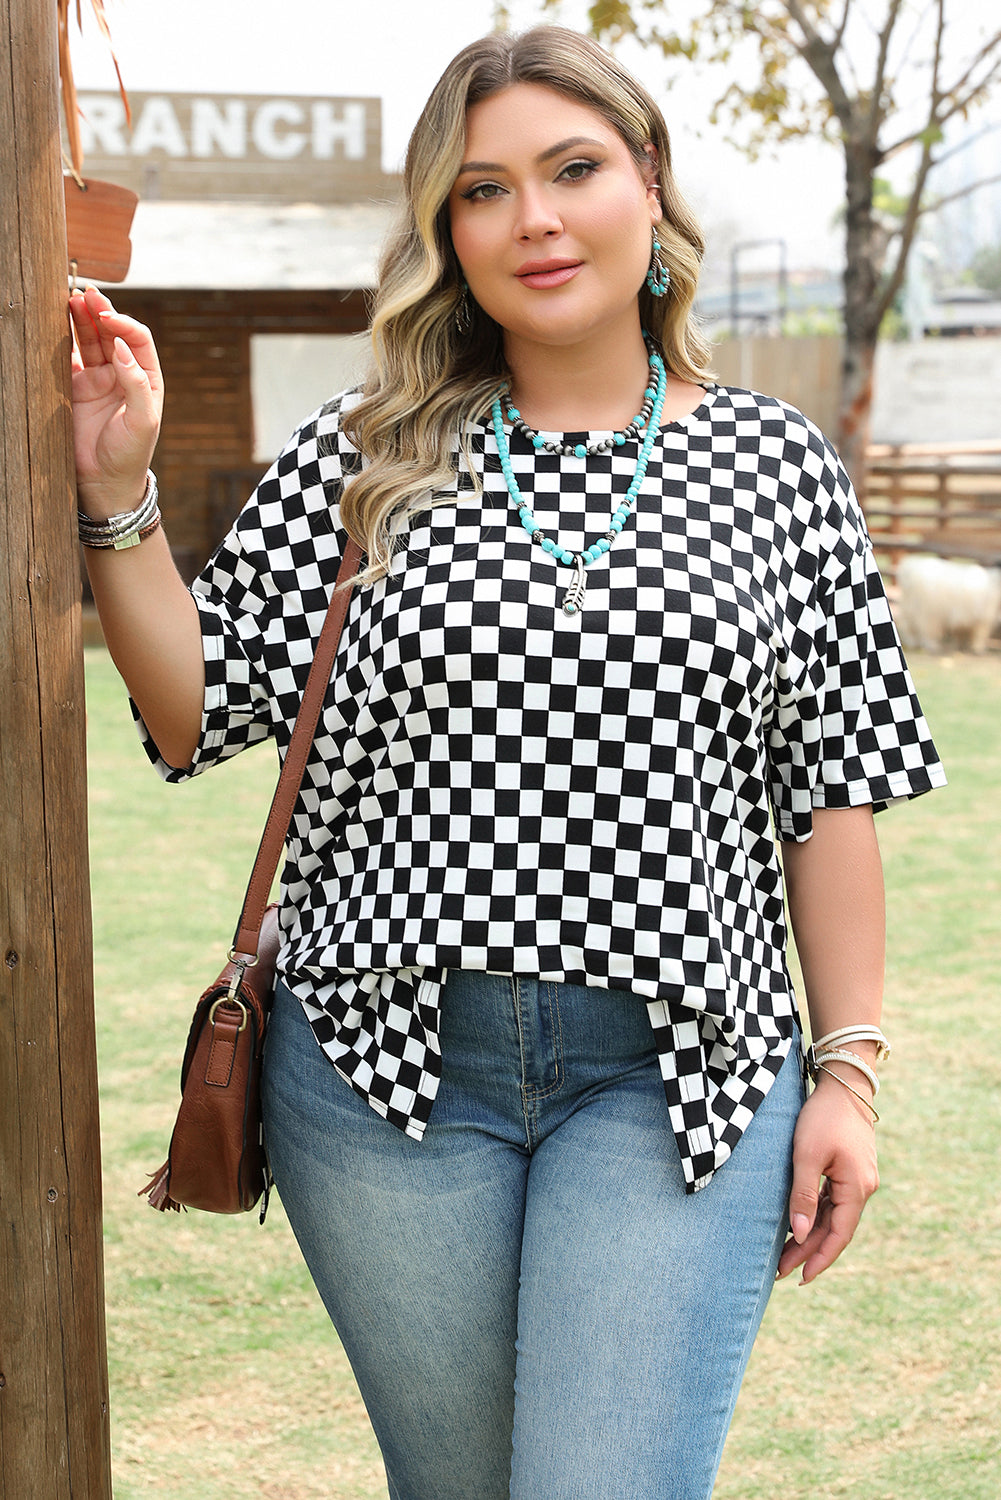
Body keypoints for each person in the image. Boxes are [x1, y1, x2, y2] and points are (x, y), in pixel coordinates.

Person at [71, 26, 945, 1500]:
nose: (533, 218)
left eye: (572, 169)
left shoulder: (778, 467)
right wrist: (119, 492)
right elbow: (194, 710)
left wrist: (846, 1074)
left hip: (678, 1080)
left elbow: (828, 793)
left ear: (648, 182)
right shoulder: (365, 456)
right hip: (384, 1074)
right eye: (483, 190)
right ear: (446, 231)